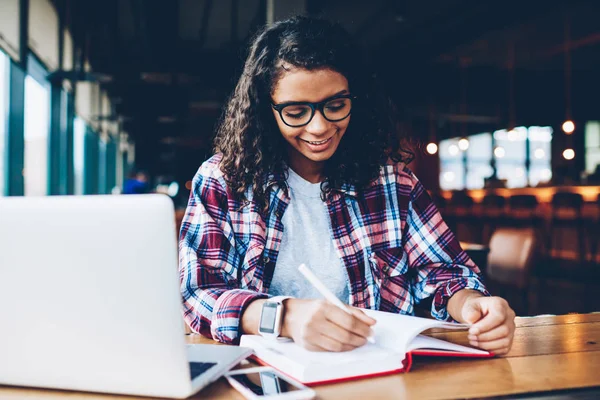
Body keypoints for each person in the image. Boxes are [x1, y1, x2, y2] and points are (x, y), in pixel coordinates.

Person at [179, 16, 515, 355]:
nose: (320, 127)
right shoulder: (224, 181)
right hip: (263, 375)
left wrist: (472, 305)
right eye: (296, 112)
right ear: (267, 111)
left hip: (377, 375)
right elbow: (198, 295)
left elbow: (444, 273)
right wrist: (283, 317)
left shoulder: (392, 183)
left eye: (336, 105)